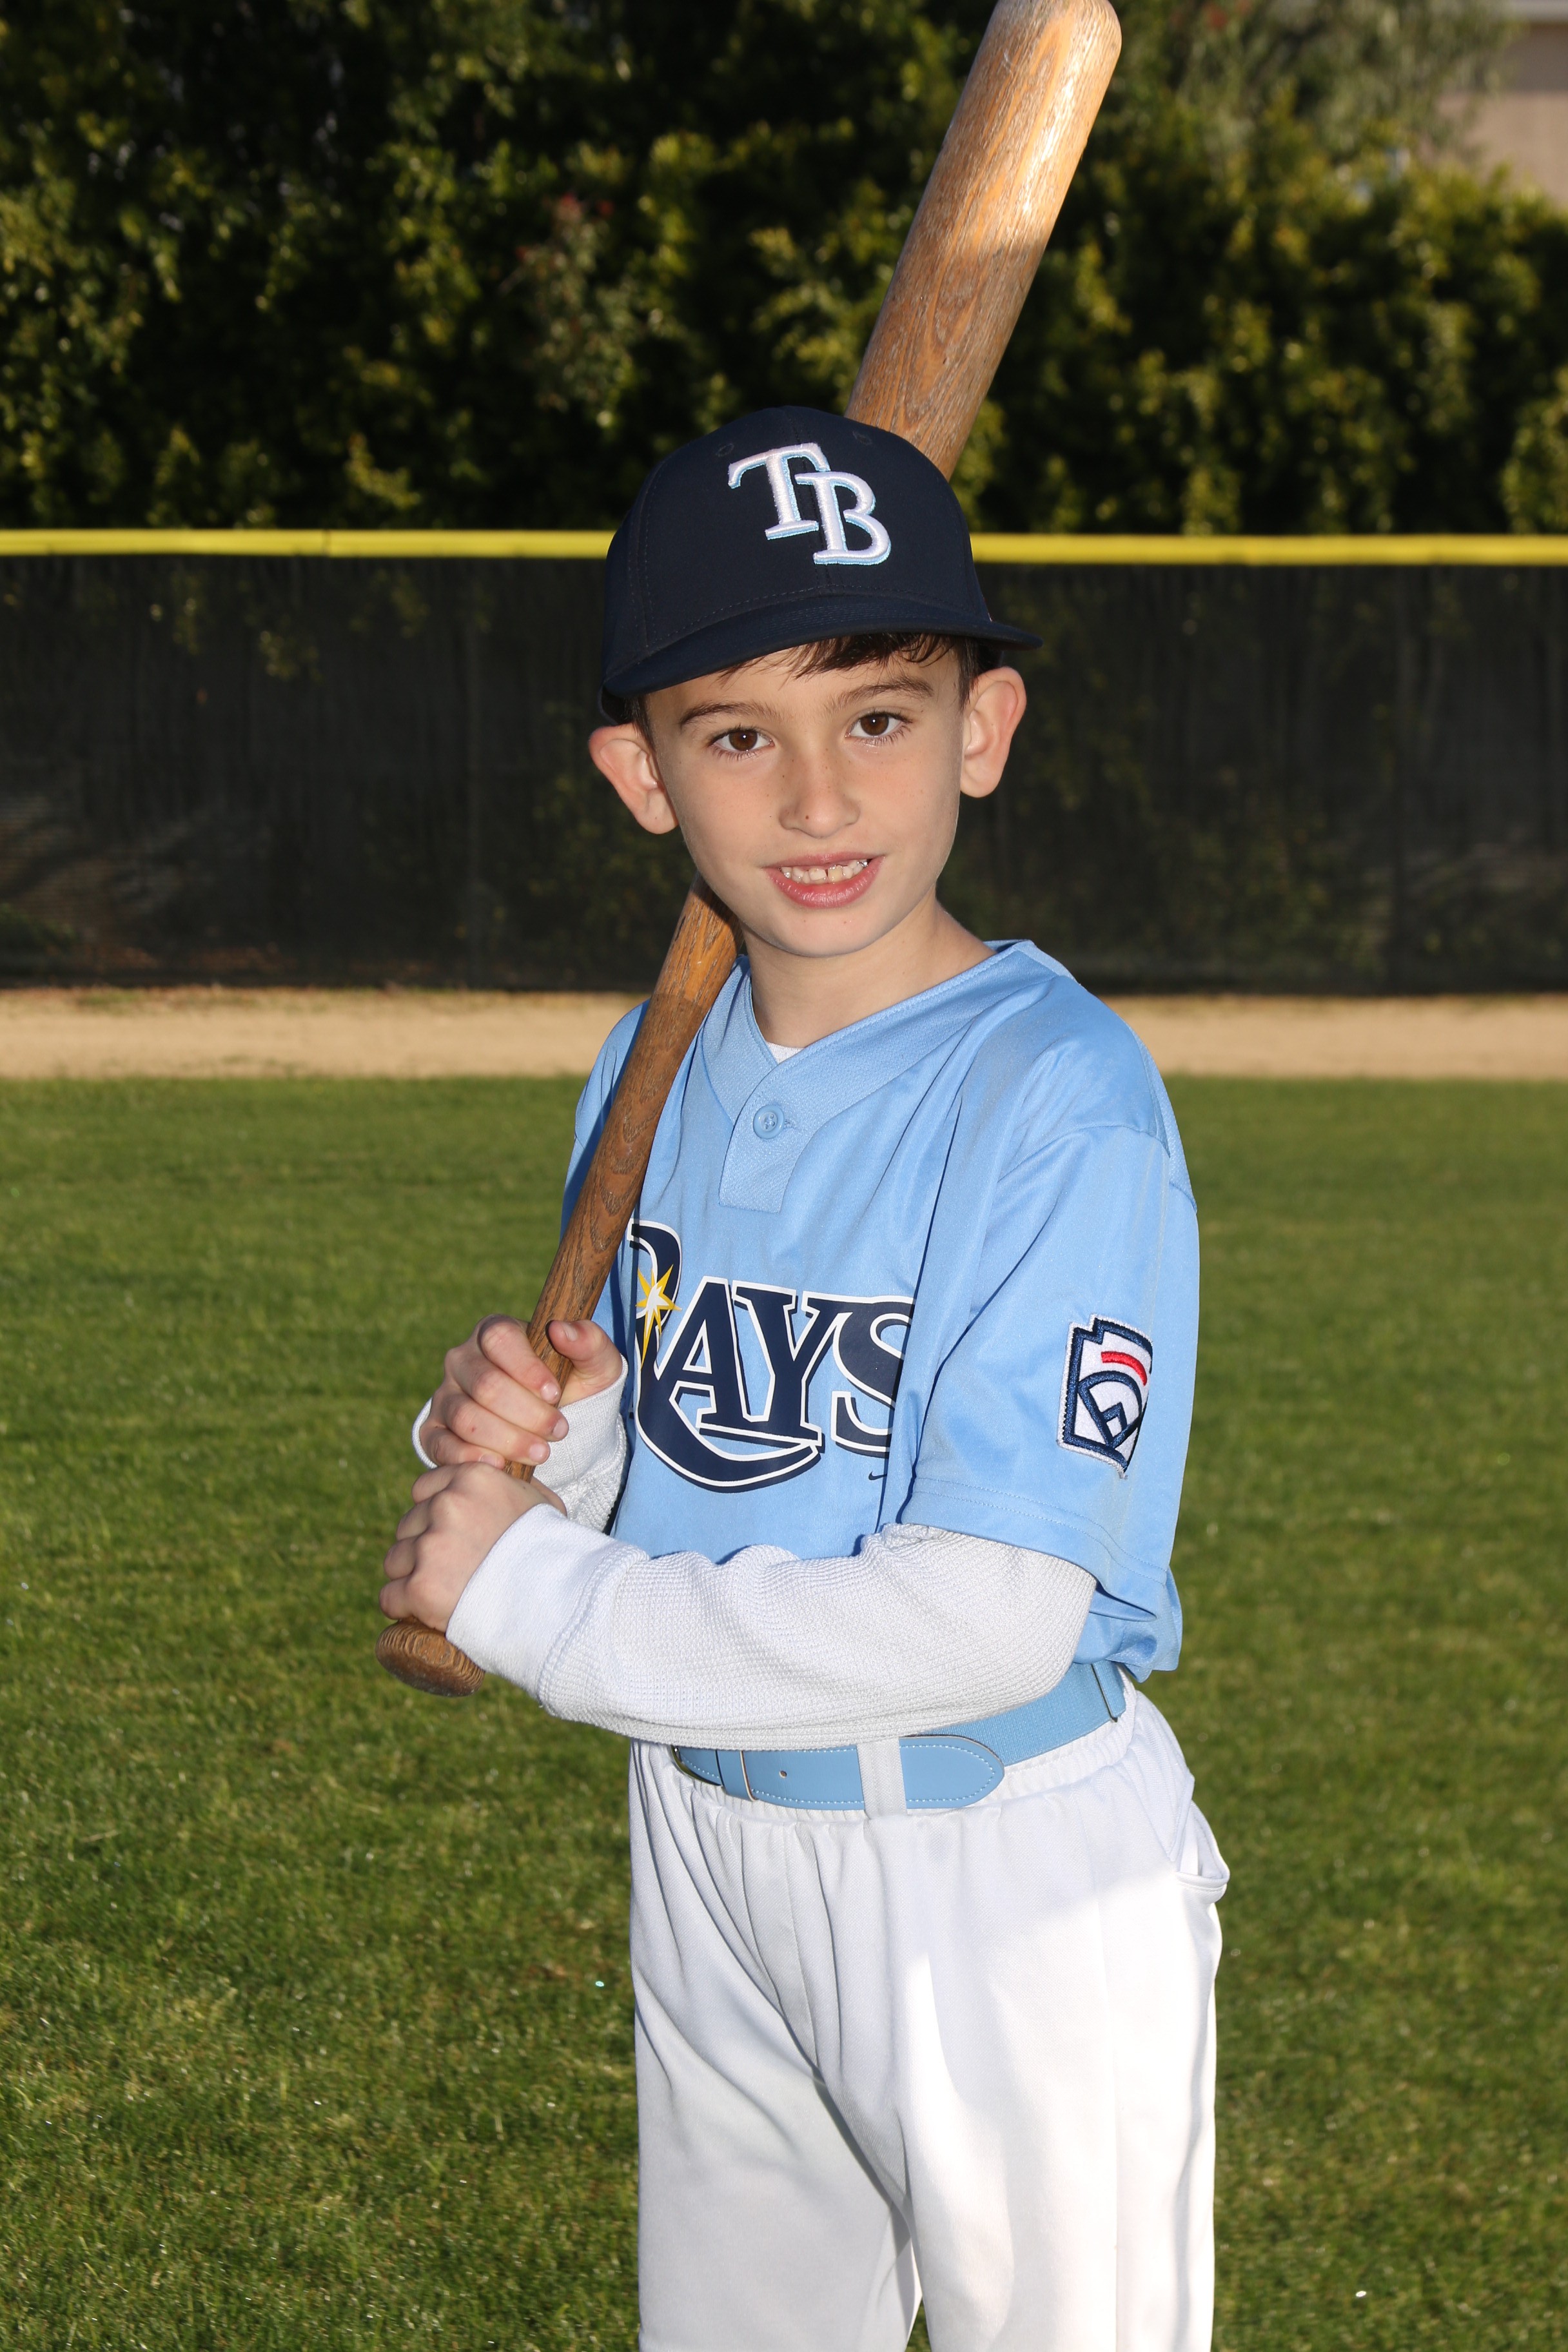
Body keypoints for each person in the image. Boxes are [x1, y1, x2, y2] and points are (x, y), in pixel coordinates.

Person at [378, 407, 1227, 2352]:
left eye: (881, 715)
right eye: (740, 735)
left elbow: (993, 1611)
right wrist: (545, 1448)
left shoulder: (1057, 1094)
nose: (821, 795)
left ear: (984, 730)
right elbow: (685, 1458)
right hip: (710, 1835)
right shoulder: (650, 1064)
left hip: (999, 1863)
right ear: (643, 774)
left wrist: (535, 1596)